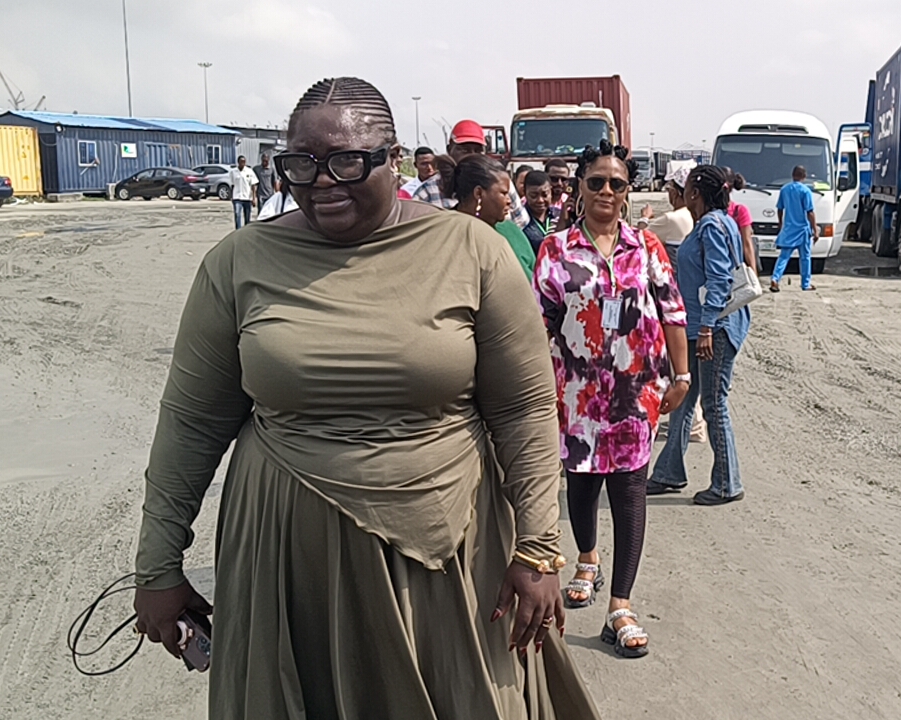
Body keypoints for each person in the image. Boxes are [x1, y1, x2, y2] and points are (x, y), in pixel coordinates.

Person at [131, 76, 599, 720]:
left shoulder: (474, 253)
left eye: (348, 161)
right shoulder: (238, 261)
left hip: (450, 556)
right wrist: (157, 564)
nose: (323, 181)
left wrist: (539, 548)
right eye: (301, 163)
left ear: (394, 158)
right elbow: (190, 423)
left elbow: (524, 410)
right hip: (289, 557)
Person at [533, 140, 689, 659]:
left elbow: (673, 312)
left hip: (634, 394)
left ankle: (620, 606)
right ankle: (587, 558)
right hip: (575, 394)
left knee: (629, 490)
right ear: (579, 187)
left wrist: (682, 375)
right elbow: (538, 322)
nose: (606, 190)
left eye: (616, 183)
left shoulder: (646, 247)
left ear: (628, 191)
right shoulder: (556, 250)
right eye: (596, 181)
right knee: (581, 484)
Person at [648, 165, 751, 506]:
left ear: (694, 192)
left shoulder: (711, 226)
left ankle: (726, 484)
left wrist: (707, 327)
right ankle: (669, 471)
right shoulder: (715, 222)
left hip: (714, 329)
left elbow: (719, 280)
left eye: (687, 188)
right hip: (696, 327)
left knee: (713, 404)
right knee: (683, 395)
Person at [635, 163, 707, 444]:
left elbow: (640, 235)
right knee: (687, 370)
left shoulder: (674, 218)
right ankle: (693, 425)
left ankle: (691, 426)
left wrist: (644, 218)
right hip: (689, 298)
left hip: (673, 299)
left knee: (678, 368)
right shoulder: (695, 218)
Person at [416, 120, 529, 228]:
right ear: (449, 150)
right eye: (465, 150)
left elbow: (520, 222)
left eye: (478, 151)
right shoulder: (428, 191)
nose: (472, 156)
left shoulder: (500, 184)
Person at [453, 154, 536, 281]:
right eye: (503, 193)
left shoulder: (511, 231)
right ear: (479, 193)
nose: (509, 201)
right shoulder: (451, 234)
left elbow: (536, 279)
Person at [769, 165, 818, 292]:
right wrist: (815, 229)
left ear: (792, 175)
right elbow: (810, 212)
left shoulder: (785, 189)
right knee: (805, 258)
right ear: (804, 176)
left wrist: (781, 223)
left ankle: (775, 278)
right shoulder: (805, 191)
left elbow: (780, 208)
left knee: (784, 256)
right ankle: (805, 283)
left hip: (789, 229)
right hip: (802, 230)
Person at [727, 172, 759, 272]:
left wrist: (753, 274)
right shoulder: (707, 210)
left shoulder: (739, 210)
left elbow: (747, 244)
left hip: (734, 268)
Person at [522, 169, 554, 255]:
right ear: (524, 193)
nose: (540, 200)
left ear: (551, 191)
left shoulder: (559, 216)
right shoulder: (520, 221)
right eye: (533, 195)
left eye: (545, 195)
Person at [229, 155, 258, 229]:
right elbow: (232, 185)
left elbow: (253, 185)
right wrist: (231, 197)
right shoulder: (233, 172)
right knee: (237, 214)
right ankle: (238, 230)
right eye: (241, 162)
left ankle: (246, 230)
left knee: (247, 216)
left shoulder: (249, 171)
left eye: (244, 162)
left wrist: (254, 198)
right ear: (238, 162)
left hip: (247, 198)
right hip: (237, 197)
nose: (243, 163)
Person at [252, 153, 278, 217]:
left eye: (266, 161)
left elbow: (275, 182)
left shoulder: (272, 170)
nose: (264, 162)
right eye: (263, 160)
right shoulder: (256, 169)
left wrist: (277, 194)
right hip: (260, 195)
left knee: (270, 212)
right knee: (261, 212)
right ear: (261, 159)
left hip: (270, 194)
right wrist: (253, 197)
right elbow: (254, 184)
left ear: (268, 160)